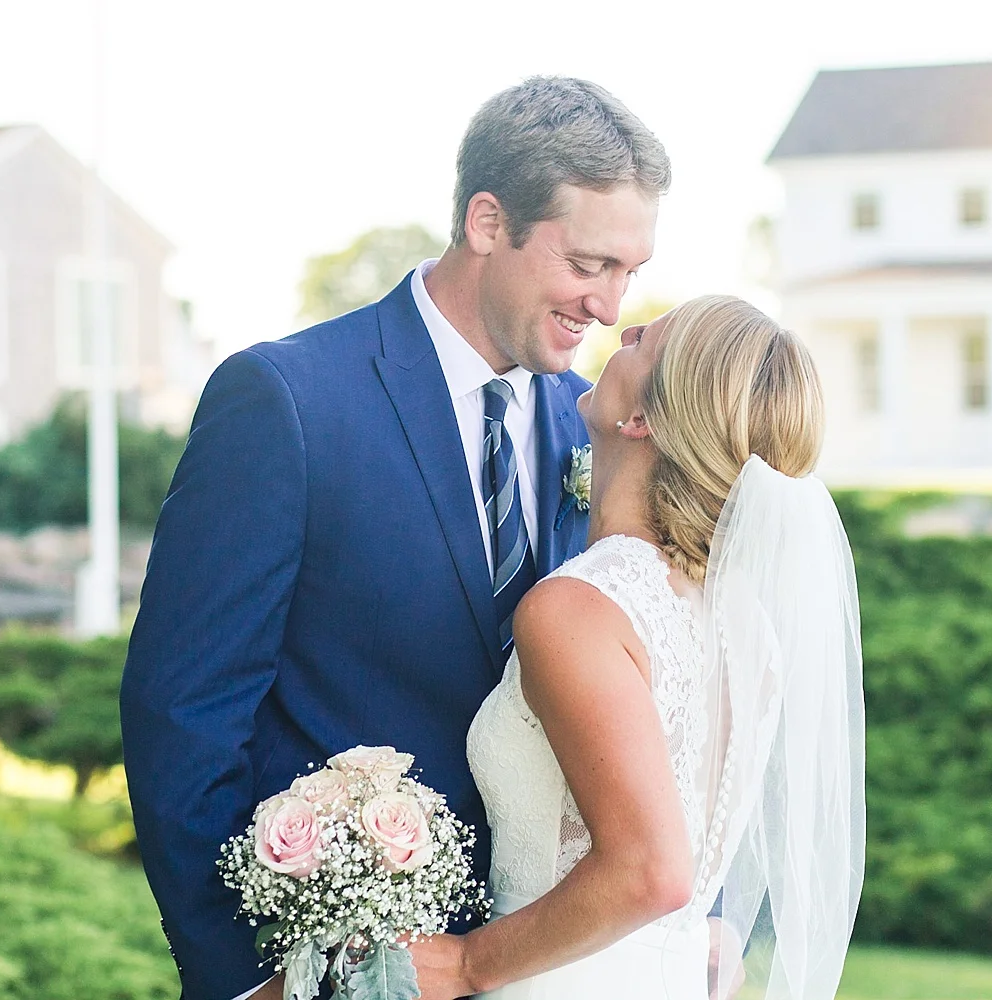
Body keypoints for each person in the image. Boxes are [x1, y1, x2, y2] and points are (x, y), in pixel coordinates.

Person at [119, 76, 668, 1000]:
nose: (609, 308)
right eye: (587, 264)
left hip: (546, 961)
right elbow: (182, 710)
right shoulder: (287, 401)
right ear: (488, 221)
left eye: (629, 273)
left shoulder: (592, 431)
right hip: (328, 969)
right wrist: (245, 976)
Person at [413, 296, 866, 999]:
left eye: (643, 340)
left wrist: (467, 965)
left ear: (641, 420)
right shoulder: (746, 627)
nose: (621, 329)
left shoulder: (578, 608)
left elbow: (652, 872)